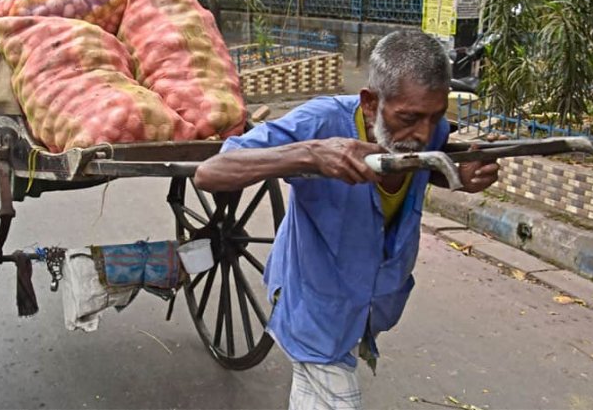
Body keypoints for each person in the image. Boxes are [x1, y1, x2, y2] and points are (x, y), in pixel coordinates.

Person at [193, 30, 500, 410]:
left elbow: (421, 164)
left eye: (435, 117)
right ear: (370, 103)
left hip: (368, 305)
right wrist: (310, 154)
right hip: (312, 304)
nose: (423, 133)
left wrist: (456, 175)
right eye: (409, 117)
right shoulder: (320, 124)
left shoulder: (430, 130)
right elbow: (210, 172)